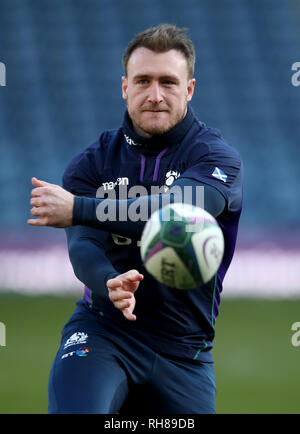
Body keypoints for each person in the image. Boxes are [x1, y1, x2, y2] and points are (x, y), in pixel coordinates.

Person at [28, 24, 243, 414]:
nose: (155, 95)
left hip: (185, 351)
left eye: (168, 82)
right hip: (102, 331)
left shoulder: (216, 158)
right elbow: (84, 246)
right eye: (142, 81)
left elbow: (174, 214)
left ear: (189, 89)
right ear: (125, 87)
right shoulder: (91, 163)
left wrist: (76, 206)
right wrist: (106, 281)